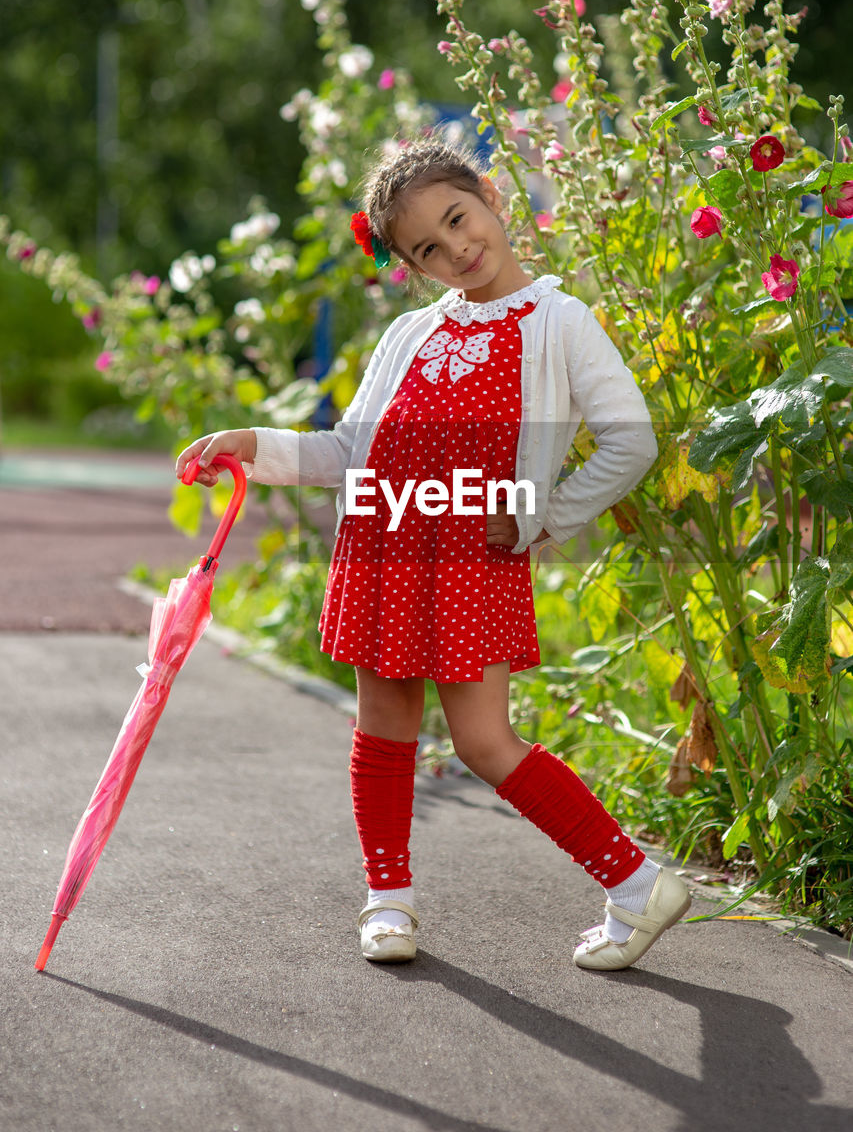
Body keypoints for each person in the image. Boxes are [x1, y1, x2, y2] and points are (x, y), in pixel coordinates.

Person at [175, 136, 690, 972]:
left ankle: (634, 882)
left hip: (469, 561)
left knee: (485, 743)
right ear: (413, 267)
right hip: (382, 549)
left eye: (458, 218)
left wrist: (537, 515)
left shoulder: (559, 320)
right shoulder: (411, 334)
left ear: (489, 196)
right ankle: (387, 903)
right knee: (381, 729)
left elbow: (627, 442)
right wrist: (251, 443)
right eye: (426, 248)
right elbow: (348, 451)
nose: (455, 248)